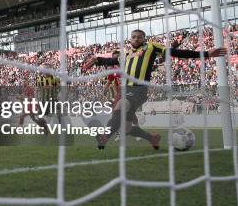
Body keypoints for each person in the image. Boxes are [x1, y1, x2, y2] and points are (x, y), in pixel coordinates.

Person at [82, 29, 227, 150]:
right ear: (130, 39)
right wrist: (98, 60)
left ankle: (104, 137)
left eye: (139, 37)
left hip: (139, 89)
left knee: (121, 106)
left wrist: (206, 54)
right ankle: (152, 138)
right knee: (125, 128)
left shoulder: (151, 47)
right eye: (134, 37)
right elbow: (111, 61)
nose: (136, 39)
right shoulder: (125, 54)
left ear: (144, 39)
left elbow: (175, 52)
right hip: (126, 90)